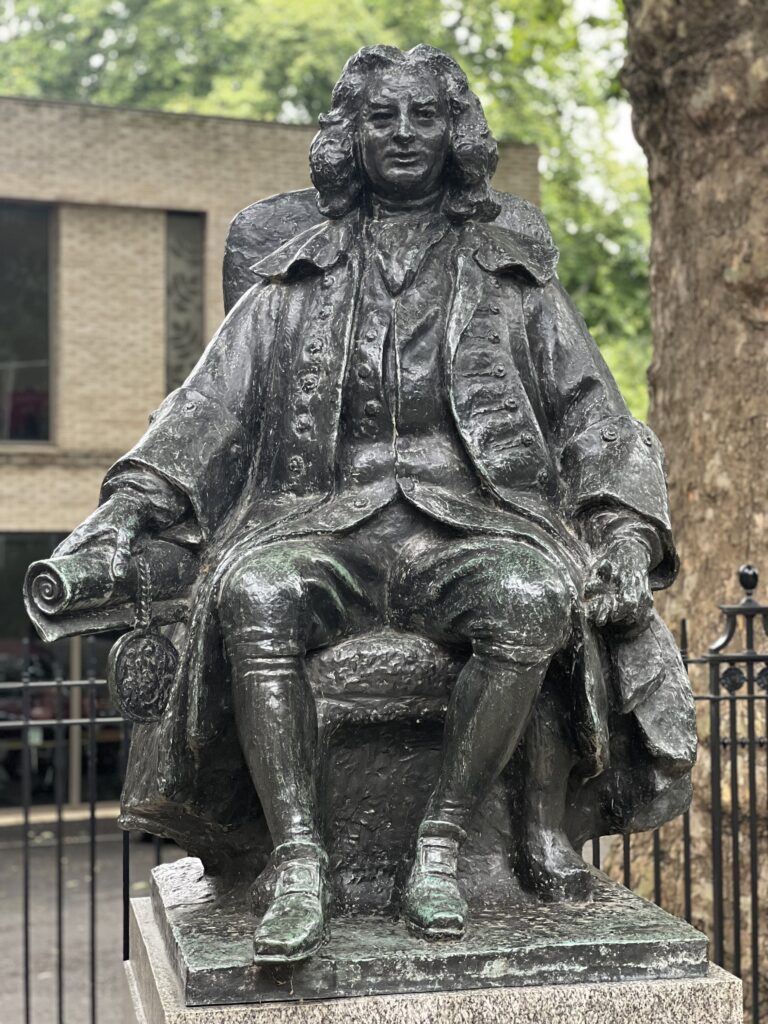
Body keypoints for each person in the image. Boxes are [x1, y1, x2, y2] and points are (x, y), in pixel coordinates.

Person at [48, 45, 690, 963]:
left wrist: (625, 533)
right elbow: (208, 406)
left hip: (472, 527)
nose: (400, 134)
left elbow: (597, 416)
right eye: (379, 117)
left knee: (533, 600)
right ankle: (299, 858)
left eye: (422, 115)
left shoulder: (512, 276)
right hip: (322, 523)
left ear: (453, 132)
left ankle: (443, 841)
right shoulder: (294, 273)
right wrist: (126, 509)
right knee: (254, 595)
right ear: (349, 135)